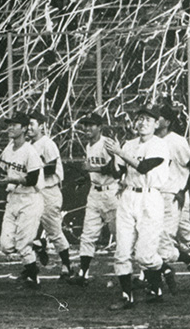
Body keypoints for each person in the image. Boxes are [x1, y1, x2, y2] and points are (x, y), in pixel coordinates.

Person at [104, 106, 169, 309]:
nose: (142, 123)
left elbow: (143, 167)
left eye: (148, 120)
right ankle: (126, 296)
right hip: (129, 195)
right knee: (122, 250)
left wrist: (119, 152)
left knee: (144, 256)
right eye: (139, 118)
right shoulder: (129, 144)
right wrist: (114, 160)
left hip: (150, 197)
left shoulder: (160, 145)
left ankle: (160, 271)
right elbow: (119, 172)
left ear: (156, 124)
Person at [154, 105, 190, 289]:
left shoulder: (176, 141)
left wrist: (182, 189)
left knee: (168, 236)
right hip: (158, 195)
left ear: (168, 122)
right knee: (181, 232)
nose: (155, 119)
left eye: (159, 116)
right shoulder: (151, 141)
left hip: (175, 195)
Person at [70, 113, 118, 286]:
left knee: (121, 235)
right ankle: (83, 273)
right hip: (95, 192)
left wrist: (93, 168)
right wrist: (85, 177)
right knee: (88, 234)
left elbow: (116, 168)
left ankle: (145, 273)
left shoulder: (107, 143)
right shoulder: (89, 145)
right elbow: (94, 169)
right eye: (85, 125)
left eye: (91, 125)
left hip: (112, 192)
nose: (87, 128)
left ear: (100, 127)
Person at [0, 111, 44, 287]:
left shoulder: (30, 151)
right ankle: (38, 246)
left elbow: (32, 180)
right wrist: (3, 180)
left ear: (24, 128)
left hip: (30, 199)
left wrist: (13, 179)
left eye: (14, 125)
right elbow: (2, 168)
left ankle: (34, 278)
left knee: (23, 245)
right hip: (13, 198)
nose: (10, 127)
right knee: (5, 245)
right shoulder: (8, 148)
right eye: (9, 124)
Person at [26, 111, 74, 280]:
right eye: (27, 125)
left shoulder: (47, 143)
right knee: (26, 229)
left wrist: (31, 170)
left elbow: (51, 167)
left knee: (54, 230)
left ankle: (67, 265)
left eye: (32, 124)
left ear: (41, 126)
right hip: (34, 191)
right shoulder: (27, 145)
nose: (29, 128)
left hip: (49, 190)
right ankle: (32, 262)